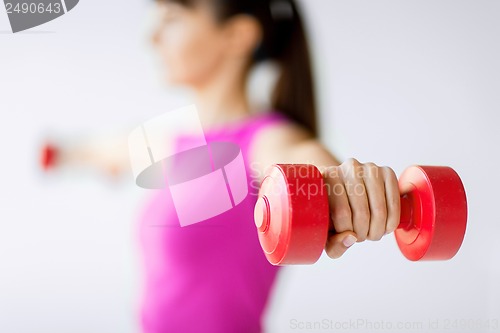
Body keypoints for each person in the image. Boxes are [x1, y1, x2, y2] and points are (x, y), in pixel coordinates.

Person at [41, 0, 401, 331]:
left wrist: (348, 187)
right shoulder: (170, 141)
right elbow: (106, 149)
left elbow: (314, 170)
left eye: (172, 18)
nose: (152, 37)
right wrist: (65, 153)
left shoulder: (265, 142)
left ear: (236, 36)